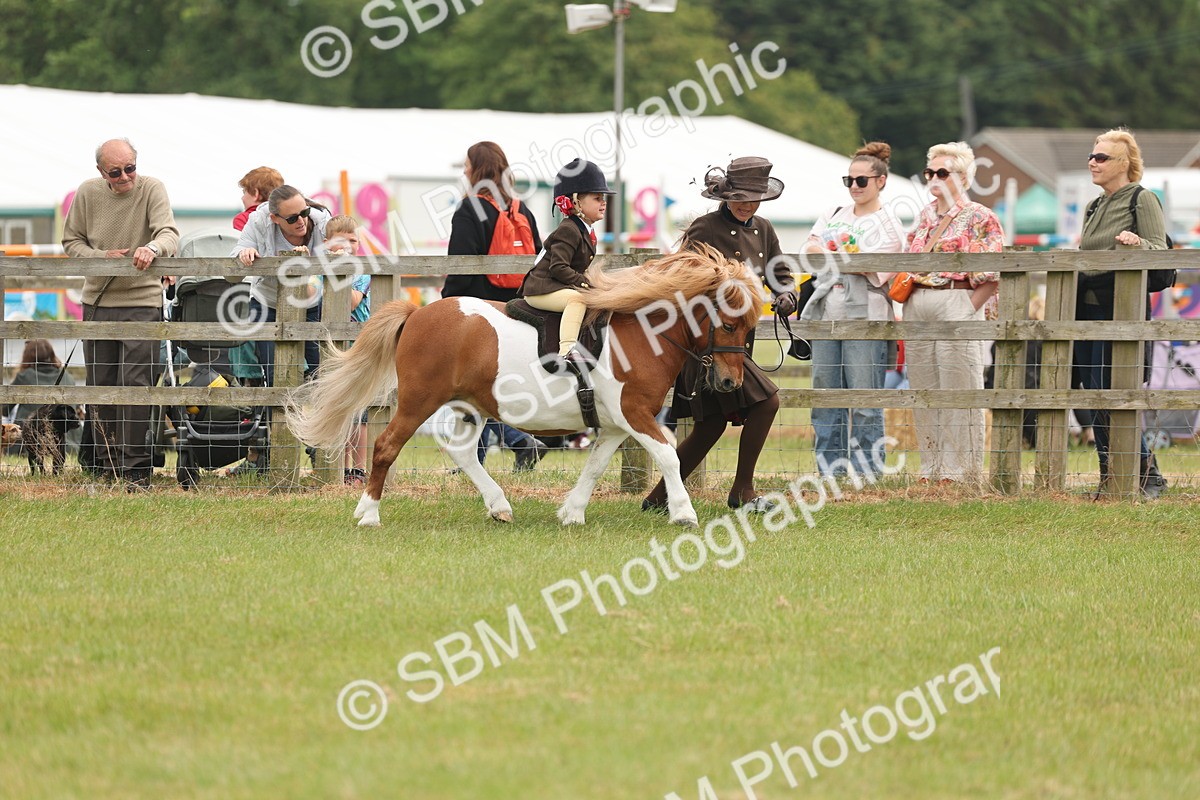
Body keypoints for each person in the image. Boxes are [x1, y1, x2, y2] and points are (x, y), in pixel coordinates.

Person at [642, 156, 798, 513]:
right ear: (726, 194)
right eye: (741, 195)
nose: (747, 203)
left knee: (710, 425)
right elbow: (680, 277)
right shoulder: (705, 228)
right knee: (767, 402)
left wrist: (787, 293)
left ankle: (657, 500)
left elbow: (779, 272)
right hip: (704, 344)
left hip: (738, 342)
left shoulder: (764, 229)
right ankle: (742, 492)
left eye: (754, 196)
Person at [62, 137, 179, 490]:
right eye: (116, 171)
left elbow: (170, 233)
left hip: (143, 300)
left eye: (131, 167)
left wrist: (152, 247)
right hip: (98, 300)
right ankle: (105, 465)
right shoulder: (87, 193)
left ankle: (136, 469)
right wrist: (100, 257)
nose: (126, 176)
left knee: (136, 384)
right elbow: (71, 242)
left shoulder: (152, 189)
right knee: (101, 385)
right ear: (101, 171)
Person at [442, 141, 548, 471]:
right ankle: (503, 448)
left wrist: (446, 304)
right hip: (516, 310)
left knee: (470, 384)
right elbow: (538, 256)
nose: (463, 171)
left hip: (478, 312)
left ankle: (511, 445)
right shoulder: (521, 208)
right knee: (491, 384)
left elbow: (460, 264)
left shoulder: (470, 209)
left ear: (478, 170)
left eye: (467, 165)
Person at [1075, 127, 1169, 498]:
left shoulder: (1141, 199)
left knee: (1113, 394)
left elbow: (1162, 251)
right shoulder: (1093, 205)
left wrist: (1138, 242)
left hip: (1121, 310)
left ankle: (1148, 476)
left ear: (1124, 163)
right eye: (1091, 155)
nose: (1092, 162)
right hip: (1084, 310)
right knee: (1093, 393)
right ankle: (1109, 478)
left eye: (1101, 157)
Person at [902, 141, 1003, 486]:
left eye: (942, 172)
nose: (933, 177)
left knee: (959, 386)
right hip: (919, 301)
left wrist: (967, 307)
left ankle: (960, 472)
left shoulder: (979, 216)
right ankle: (931, 467)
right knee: (924, 387)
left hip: (955, 298)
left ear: (962, 177)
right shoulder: (924, 215)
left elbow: (994, 270)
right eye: (929, 172)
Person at [802, 142, 904, 479]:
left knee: (864, 397)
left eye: (862, 181)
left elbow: (872, 265)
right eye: (849, 180)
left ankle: (867, 471)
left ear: (881, 181)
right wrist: (842, 256)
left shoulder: (889, 223)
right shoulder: (834, 213)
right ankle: (830, 470)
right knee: (826, 394)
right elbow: (810, 247)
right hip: (827, 312)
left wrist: (837, 255)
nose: (855, 187)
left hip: (867, 316)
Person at [232, 184, 331, 386]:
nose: (301, 221)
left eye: (304, 212)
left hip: (312, 303)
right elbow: (237, 252)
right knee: (275, 373)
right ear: (274, 218)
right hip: (268, 303)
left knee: (322, 372)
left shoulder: (322, 222)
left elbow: (346, 248)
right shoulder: (258, 221)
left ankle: (322, 417)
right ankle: (276, 418)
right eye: (292, 218)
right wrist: (245, 253)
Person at [519, 158, 613, 361]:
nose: (603, 202)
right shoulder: (569, 229)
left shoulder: (584, 230)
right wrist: (587, 285)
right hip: (541, 289)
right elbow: (558, 268)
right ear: (577, 201)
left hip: (554, 286)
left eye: (603, 197)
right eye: (597, 198)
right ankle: (567, 350)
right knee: (577, 299)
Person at [323, 215, 372, 485]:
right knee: (341, 410)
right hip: (333, 350)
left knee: (360, 413)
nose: (348, 246)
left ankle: (359, 469)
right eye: (341, 241)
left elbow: (351, 302)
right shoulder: (323, 270)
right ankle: (340, 469)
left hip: (359, 349)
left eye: (353, 241)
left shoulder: (362, 272)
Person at [4, 339, 75, 425]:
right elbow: (76, 408)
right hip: (68, 436)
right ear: (51, 354)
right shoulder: (67, 376)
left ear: (28, 356)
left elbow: (5, 409)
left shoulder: (25, 376)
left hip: (30, 434)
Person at [233, 167, 285, 232]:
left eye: (244, 192)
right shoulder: (284, 218)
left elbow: (241, 241)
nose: (242, 198)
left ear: (256, 193)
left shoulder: (243, 219)